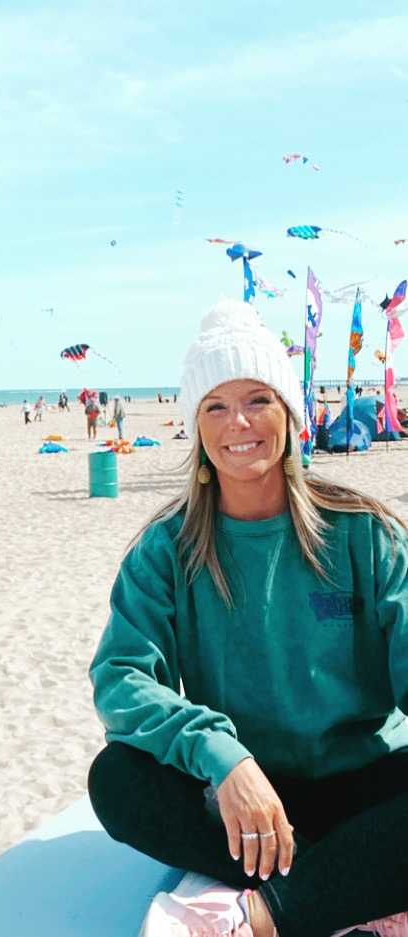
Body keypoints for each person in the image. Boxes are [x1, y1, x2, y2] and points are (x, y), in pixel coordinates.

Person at [88, 300, 408, 937]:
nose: (239, 422)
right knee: (117, 780)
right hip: (243, 799)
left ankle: (264, 912)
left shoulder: (362, 534)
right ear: (197, 428)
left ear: (289, 414)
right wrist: (223, 757)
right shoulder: (168, 549)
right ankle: (350, 891)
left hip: (364, 782)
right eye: (215, 405)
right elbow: (122, 679)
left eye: (259, 399)